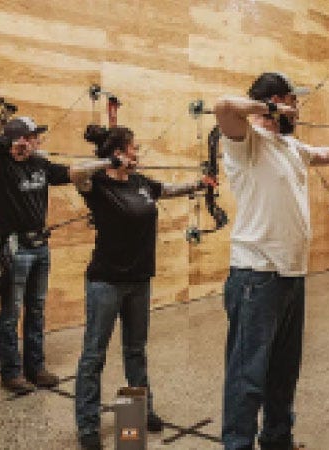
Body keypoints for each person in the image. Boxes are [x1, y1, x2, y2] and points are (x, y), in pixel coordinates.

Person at [213, 73, 329, 449]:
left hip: (291, 275)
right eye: (291, 101)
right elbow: (223, 107)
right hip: (256, 276)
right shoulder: (246, 142)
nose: (297, 108)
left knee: (283, 372)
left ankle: (278, 439)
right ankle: (238, 444)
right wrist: (267, 108)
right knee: (247, 375)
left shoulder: (290, 146)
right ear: (276, 102)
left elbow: (321, 155)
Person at [73, 125, 214, 449]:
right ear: (120, 152)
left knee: (136, 351)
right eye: (133, 148)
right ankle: (87, 426)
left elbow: (167, 189)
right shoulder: (96, 185)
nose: (138, 153)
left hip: (139, 281)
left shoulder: (140, 183)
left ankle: (144, 408)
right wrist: (108, 162)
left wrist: (198, 184)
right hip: (105, 282)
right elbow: (76, 172)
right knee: (94, 355)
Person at [0, 116, 109, 395]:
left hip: (40, 247)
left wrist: (106, 164)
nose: (38, 141)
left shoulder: (40, 165)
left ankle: (36, 368)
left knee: (36, 309)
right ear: (20, 140)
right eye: (32, 136)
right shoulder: (1, 165)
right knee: (11, 313)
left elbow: (71, 172)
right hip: (15, 248)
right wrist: (9, 143)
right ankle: (11, 372)